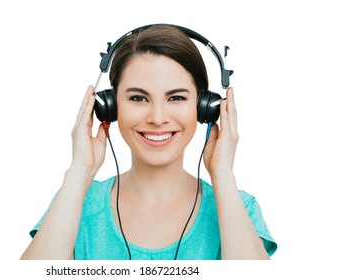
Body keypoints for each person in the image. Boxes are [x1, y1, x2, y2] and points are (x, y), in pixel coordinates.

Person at [20, 24, 277, 260]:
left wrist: (223, 172)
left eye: (176, 98)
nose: (157, 118)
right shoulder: (75, 204)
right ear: (109, 106)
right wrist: (80, 170)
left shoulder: (237, 206)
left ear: (205, 108)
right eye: (138, 98)